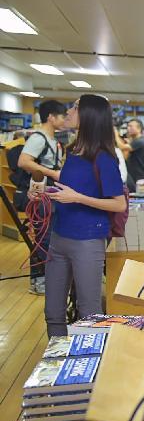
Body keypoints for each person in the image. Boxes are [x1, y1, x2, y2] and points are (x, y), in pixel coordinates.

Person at [44, 95, 127, 338]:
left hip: (87, 242)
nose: (69, 111)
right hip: (59, 237)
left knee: (88, 312)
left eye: (75, 107)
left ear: (89, 115)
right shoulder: (73, 151)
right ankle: (57, 363)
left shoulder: (104, 158)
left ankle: (89, 369)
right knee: (53, 312)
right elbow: (71, 185)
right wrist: (45, 191)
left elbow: (119, 204)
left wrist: (78, 198)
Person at [18, 100, 67, 295]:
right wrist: (53, 173)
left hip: (50, 196)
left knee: (49, 237)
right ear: (51, 117)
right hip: (40, 197)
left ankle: (47, 278)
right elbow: (24, 161)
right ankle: (38, 282)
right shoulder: (38, 138)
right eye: (62, 116)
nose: (64, 120)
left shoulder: (54, 140)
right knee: (42, 238)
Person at [120, 118, 144, 192]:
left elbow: (122, 147)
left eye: (131, 126)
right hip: (132, 178)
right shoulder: (134, 141)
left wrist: (115, 134)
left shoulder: (140, 141)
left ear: (139, 129)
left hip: (139, 179)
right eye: (128, 126)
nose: (128, 128)